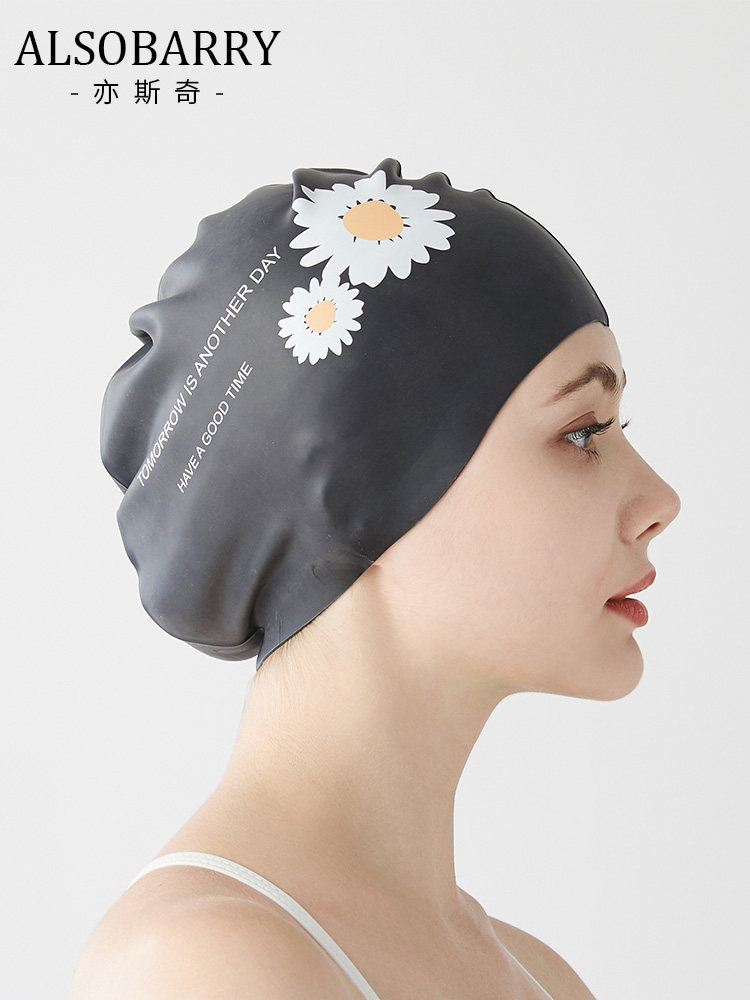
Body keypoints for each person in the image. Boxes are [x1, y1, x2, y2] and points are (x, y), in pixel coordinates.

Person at [72, 162, 681, 999]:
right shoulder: (202, 970)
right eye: (582, 432)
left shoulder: (544, 979)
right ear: (358, 484)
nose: (660, 501)